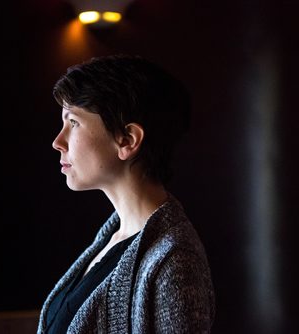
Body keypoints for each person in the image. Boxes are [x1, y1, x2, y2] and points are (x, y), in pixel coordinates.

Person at [37, 54, 215, 333]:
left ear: (127, 140)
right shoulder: (112, 237)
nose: (58, 142)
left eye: (73, 123)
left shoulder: (175, 261)